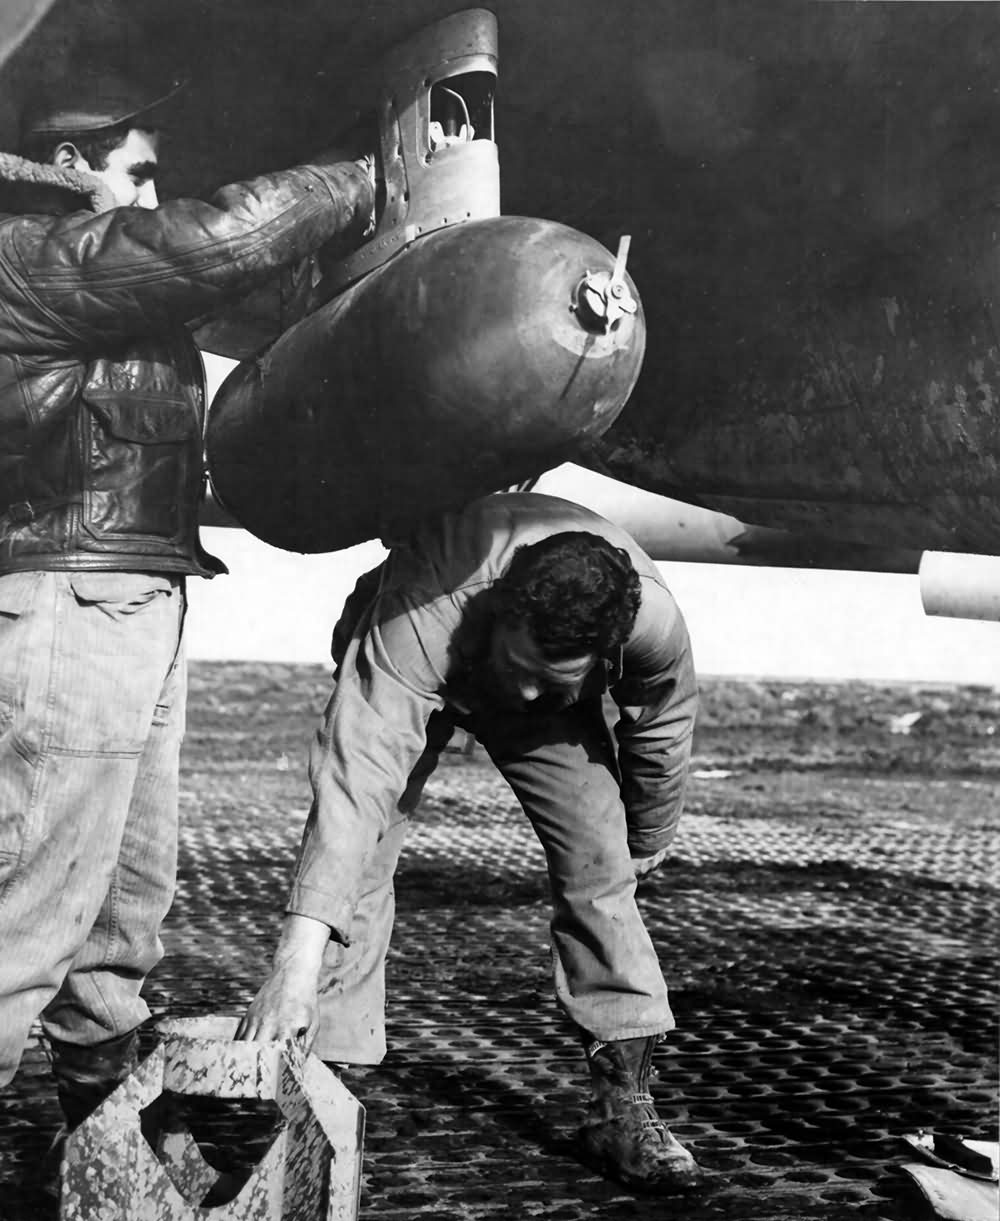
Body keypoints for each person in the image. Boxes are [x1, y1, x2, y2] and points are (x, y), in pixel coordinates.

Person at [0, 69, 375, 1131]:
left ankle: (100, 1149)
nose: (158, 197)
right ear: (69, 172)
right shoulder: (32, 258)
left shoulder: (87, 280)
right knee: (24, 928)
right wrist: (368, 178)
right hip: (69, 612)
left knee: (118, 930)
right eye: (142, 173)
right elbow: (221, 241)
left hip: (130, 604)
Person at [239, 491, 707, 1194]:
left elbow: (664, 723)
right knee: (363, 850)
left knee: (602, 867)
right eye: (520, 667)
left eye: (545, 677)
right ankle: (330, 1082)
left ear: (603, 651)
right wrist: (294, 963)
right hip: (441, 659)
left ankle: (623, 1110)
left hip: (556, 713)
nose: (520, 692)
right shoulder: (425, 609)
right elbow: (355, 777)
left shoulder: (651, 623)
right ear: (506, 608)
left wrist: (644, 835)